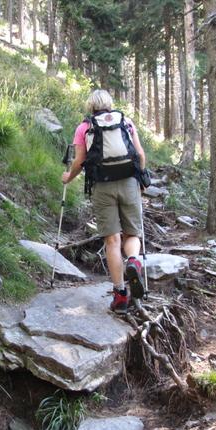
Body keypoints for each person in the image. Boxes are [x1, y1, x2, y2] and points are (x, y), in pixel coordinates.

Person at [62, 89, 147, 313]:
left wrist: (67, 178)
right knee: (132, 234)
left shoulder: (84, 127)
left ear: (90, 105)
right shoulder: (126, 122)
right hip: (128, 182)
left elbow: (80, 162)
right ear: (110, 104)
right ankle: (134, 261)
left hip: (102, 186)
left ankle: (120, 295)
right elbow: (139, 155)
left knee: (112, 241)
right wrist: (141, 179)